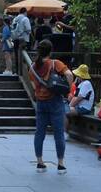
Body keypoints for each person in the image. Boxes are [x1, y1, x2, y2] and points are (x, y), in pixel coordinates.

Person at [29, 40, 74, 174]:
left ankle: (40, 162)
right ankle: (60, 164)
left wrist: (39, 92)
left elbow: (33, 84)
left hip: (41, 102)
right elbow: (69, 74)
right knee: (59, 133)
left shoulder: (32, 67)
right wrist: (67, 89)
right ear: (50, 50)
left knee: (39, 132)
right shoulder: (55, 63)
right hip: (55, 101)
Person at [64, 64, 95, 140]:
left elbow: (79, 98)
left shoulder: (86, 83)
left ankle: (64, 133)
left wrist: (70, 106)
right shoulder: (82, 84)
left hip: (84, 108)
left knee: (64, 111)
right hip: (79, 106)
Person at [12, 7, 32, 74]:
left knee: (17, 55)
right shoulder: (25, 18)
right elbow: (28, 29)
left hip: (15, 39)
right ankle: (24, 73)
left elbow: (13, 29)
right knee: (24, 55)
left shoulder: (15, 19)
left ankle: (17, 71)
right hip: (23, 40)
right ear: (25, 12)